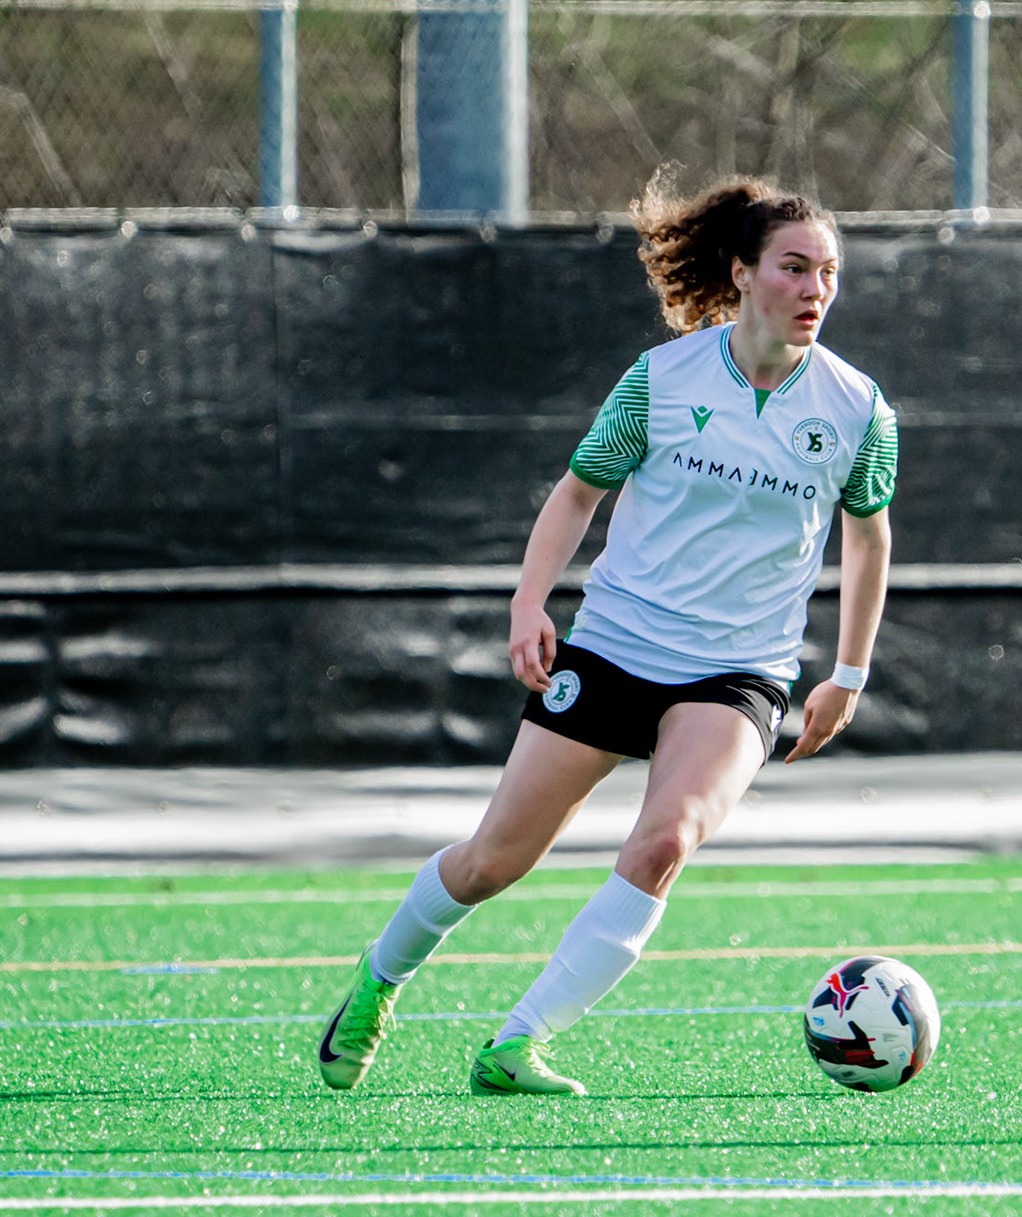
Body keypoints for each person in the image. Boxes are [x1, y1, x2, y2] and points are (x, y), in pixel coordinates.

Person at [314, 175, 896, 1097]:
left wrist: (850, 673)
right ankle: (378, 979)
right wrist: (528, 604)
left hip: (739, 671)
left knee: (662, 845)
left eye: (828, 271)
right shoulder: (661, 379)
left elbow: (868, 535)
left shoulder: (859, 408)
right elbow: (579, 491)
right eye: (794, 267)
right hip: (617, 646)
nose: (815, 288)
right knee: (491, 862)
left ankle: (518, 1043)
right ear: (743, 274)